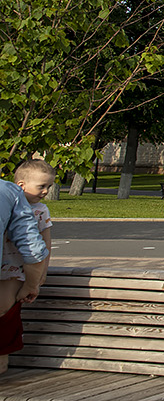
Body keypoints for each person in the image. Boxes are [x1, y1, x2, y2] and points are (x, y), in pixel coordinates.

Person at [0, 159, 55, 374]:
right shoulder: (10, 196)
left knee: (5, 309)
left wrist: (40, 276)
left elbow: (44, 242)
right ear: (21, 185)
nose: (45, 191)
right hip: (11, 267)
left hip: (12, 269)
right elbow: (36, 248)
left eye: (48, 187)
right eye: (41, 186)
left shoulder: (40, 211)